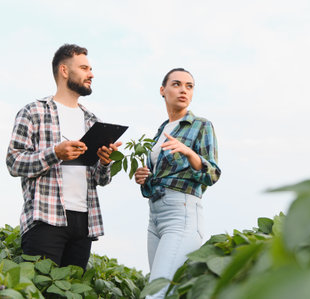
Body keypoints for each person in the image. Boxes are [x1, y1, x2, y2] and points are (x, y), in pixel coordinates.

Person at [6, 44, 122, 270]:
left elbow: (101, 179)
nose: (91, 74)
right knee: (41, 292)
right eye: (84, 68)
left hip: (84, 222)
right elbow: (13, 161)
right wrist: (55, 153)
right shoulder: (34, 111)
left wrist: (105, 162)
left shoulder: (92, 120)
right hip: (45, 219)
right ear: (64, 70)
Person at [134, 68, 221, 298]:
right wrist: (143, 177)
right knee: (162, 290)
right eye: (176, 84)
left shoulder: (201, 125)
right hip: (155, 216)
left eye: (189, 86)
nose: (183, 89)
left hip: (181, 214)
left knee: (156, 293)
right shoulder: (161, 132)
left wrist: (190, 154)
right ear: (163, 90)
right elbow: (156, 180)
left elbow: (211, 174)